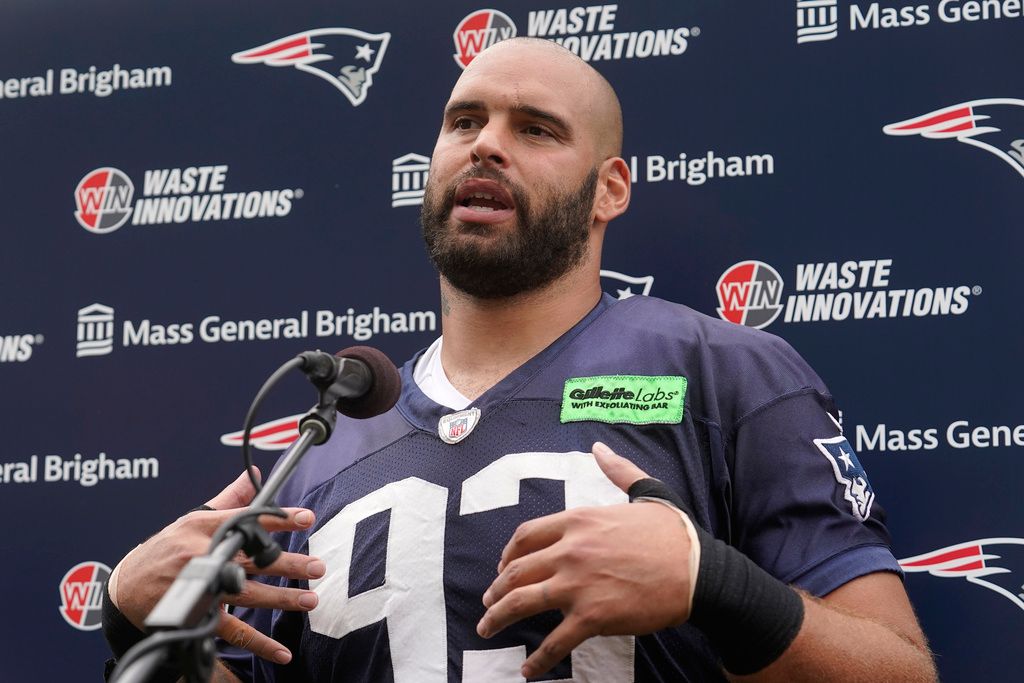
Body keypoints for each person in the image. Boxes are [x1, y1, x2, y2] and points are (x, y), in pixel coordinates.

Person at [103, 37, 937, 682]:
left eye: (534, 129)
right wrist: (137, 624)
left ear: (611, 188)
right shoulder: (322, 444)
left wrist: (708, 581)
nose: (486, 146)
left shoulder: (726, 373)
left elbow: (899, 666)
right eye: (464, 122)